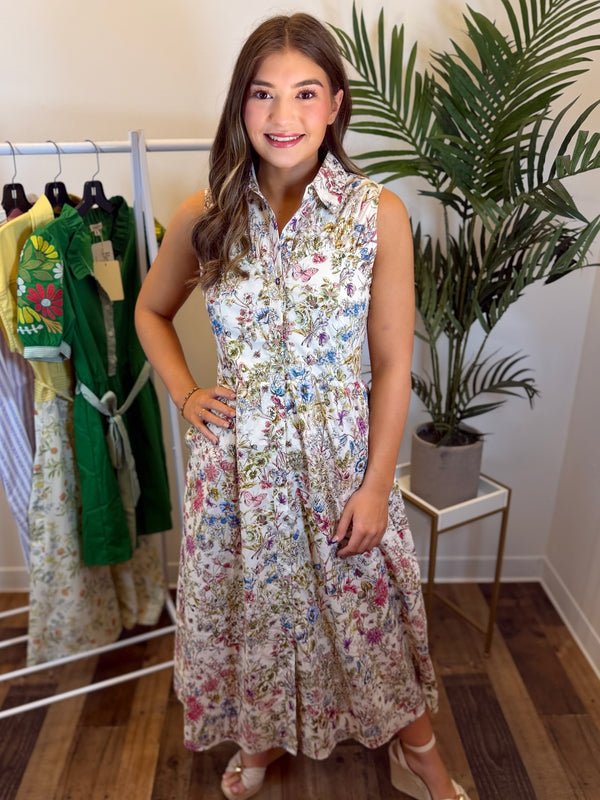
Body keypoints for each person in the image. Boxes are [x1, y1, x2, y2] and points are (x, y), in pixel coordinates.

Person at [135, 12, 470, 800]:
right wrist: (187, 393)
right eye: (262, 94)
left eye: (304, 94)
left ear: (334, 106)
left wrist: (380, 484)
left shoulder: (376, 216)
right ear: (240, 106)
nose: (282, 117)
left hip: (339, 465)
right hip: (238, 474)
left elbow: (392, 364)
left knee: (369, 624)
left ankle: (417, 752)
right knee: (253, 615)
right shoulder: (204, 215)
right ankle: (260, 742)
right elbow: (150, 313)